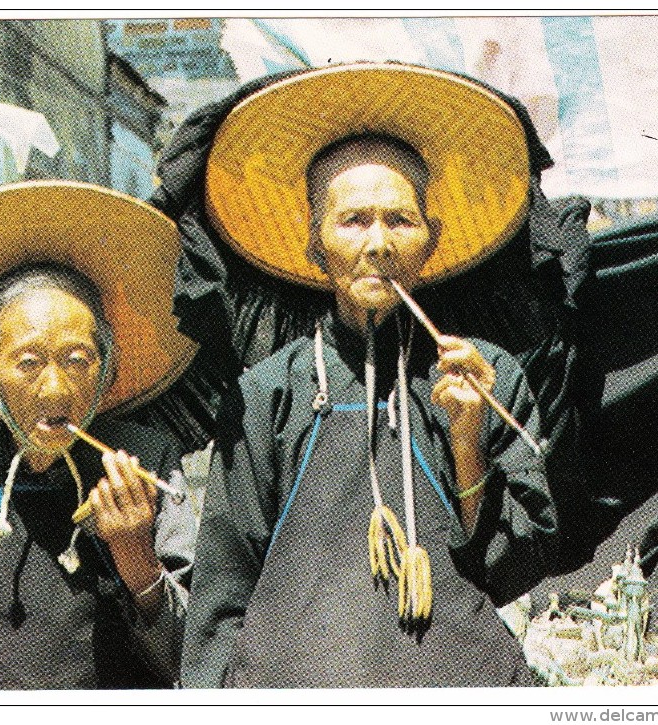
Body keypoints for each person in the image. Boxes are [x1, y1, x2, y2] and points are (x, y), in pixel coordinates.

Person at [181, 64, 557, 688]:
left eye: (401, 220)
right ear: (315, 244)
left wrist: (468, 440)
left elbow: (515, 564)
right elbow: (222, 595)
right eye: (353, 220)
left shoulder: (489, 378)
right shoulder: (268, 394)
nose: (378, 243)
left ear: (431, 242)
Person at [0, 181, 199, 690]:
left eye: (77, 361)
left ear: (108, 372)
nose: (56, 387)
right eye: (28, 363)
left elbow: (193, 659)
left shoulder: (147, 465)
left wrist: (136, 555)